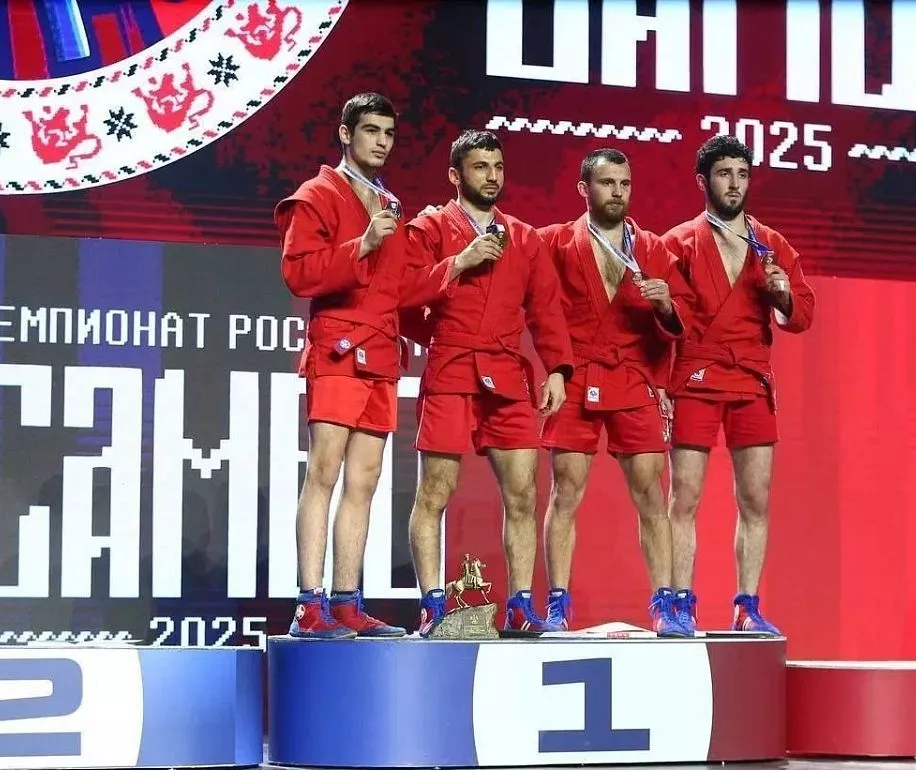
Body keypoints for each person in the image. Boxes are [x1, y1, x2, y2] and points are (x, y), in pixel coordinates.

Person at [402, 129, 575, 637]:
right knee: (435, 490)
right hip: (452, 368)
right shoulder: (429, 227)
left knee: (523, 494)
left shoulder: (524, 237)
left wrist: (558, 369)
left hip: (507, 374)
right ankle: (432, 606)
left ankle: (519, 605)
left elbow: (546, 309)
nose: (492, 176)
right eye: (481, 167)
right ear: (455, 175)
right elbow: (404, 292)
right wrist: (460, 261)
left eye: (498, 167)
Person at [535, 148, 695, 636]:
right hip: (578, 372)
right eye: (607, 183)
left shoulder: (653, 249)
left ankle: (665, 603)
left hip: (631, 375)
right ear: (584, 189)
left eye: (624, 183)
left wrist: (666, 305)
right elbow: (535, 300)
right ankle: (558, 604)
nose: (618, 192)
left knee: (651, 492)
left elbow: (680, 322)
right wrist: (556, 369)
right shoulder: (555, 242)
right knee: (565, 490)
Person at [272, 92, 414, 640]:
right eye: (371, 130)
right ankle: (309, 605)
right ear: (345, 133)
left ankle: (348, 601)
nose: (382, 142)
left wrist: (452, 268)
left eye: (389, 133)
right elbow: (299, 274)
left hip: (380, 353)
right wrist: (362, 242)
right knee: (324, 471)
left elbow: (398, 287)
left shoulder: (390, 203)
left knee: (365, 479)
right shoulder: (317, 195)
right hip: (338, 350)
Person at [661, 134, 816, 636]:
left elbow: (802, 314)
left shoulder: (771, 245)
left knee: (755, 500)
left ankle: (746, 606)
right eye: (725, 174)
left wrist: (783, 295)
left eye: (743, 174)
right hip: (697, 377)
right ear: (703, 181)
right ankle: (678, 602)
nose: (735, 184)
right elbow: (667, 321)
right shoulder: (678, 243)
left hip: (751, 379)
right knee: (684, 498)